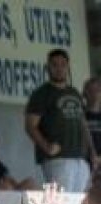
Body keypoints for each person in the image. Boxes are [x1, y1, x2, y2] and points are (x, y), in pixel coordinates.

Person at [24, 48, 94, 192]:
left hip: (81, 158)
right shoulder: (42, 94)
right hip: (59, 159)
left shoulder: (74, 93)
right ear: (48, 67)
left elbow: (83, 124)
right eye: (54, 65)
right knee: (62, 202)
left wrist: (92, 152)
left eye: (63, 65)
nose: (59, 69)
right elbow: (30, 126)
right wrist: (46, 146)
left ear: (68, 67)